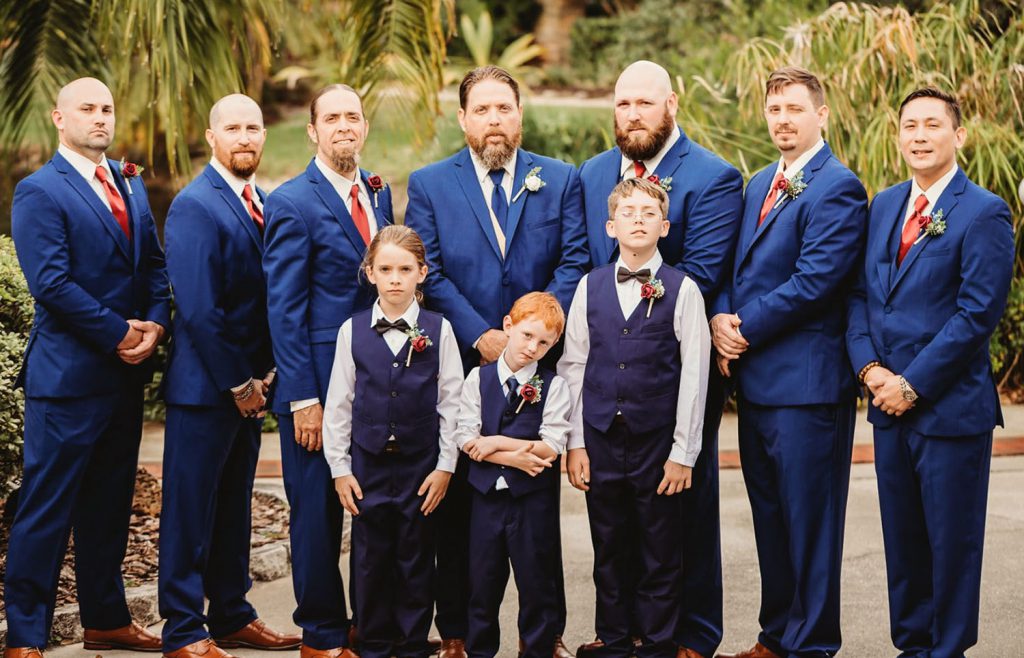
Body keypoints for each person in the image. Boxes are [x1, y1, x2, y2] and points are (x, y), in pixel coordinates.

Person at [405, 65, 587, 658]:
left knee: (537, 504)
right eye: (480, 110)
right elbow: (429, 267)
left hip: (536, 362)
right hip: (466, 362)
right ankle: (457, 630)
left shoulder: (558, 180)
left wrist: (536, 334)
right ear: (462, 119)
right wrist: (482, 334)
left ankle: (546, 634)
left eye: (503, 109)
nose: (493, 121)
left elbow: (573, 258)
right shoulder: (430, 184)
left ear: (519, 114)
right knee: (462, 504)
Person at [577, 60, 743, 658]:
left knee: (679, 517)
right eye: (624, 104)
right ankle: (621, 632)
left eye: (646, 103)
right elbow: (582, 264)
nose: (634, 114)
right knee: (616, 526)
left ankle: (688, 636)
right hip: (605, 384)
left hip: (672, 376)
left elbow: (700, 270)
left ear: (671, 103)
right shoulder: (593, 173)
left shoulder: (712, 176)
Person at [5, 77, 170, 658]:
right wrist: (119, 331)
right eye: (87, 109)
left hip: (124, 378)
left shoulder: (128, 183)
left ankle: (106, 619)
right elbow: (50, 284)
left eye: (106, 109)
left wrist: (153, 323)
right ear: (59, 119)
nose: (100, 118)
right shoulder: (39, 191)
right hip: (68, 380)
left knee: (108, 505)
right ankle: (26, 635)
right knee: (46, 507)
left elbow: (152, 263)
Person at [846, 87, 1014, 658]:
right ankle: (912, 647)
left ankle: (946, 651)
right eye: (909, 125)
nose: (919, 135)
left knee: (952, 543)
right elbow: (862, 297)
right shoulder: (885, 205)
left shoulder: (984, 211)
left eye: (932, 125)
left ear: (958, 135)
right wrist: (870, 370)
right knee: (905, 543)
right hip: (887, 407)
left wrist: (910, 384)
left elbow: (976, 316)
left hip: (949, 410)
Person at [710, 67, 866, 658]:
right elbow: (732, 269)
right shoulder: (757, 184)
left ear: (821, 114)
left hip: (807, 388)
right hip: (757, 387)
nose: (783, 120)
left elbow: (815, 282)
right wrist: (720, 317)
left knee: (811, 525)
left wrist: (740, 330)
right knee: (771, 522)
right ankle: (776, 637)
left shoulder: (838, 187)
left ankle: (812, 644)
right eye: (774, 110)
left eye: (794, 109)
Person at [158, 94, 300, 658]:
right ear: (213, 137)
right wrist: (239, 383)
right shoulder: (196, 204)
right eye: (233, 128)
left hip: (250, 385)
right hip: (206, 389)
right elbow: (198, 307)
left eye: (254, 127)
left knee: (234, 505)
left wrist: (264, 375)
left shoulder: (261, 200)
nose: (245, 137)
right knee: (191, 509)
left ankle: (232, 614)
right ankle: (183, 630)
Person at [263, 83, 393, 658]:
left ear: (364, 128)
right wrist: (301, 398)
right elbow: (284, 309)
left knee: (369, 507)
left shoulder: (377, 194)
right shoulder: (292, 201)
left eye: (354, 117)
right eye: (333, 118)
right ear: (313, 131)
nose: (346, 126)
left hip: (377, 384)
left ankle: (367, 623)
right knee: (315, 513)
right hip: (317, 384)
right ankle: (320, 633)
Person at [561, 178, 710, 658]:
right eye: (629, 212)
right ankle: (614, 636)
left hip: (656, 442)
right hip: (601, 437)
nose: (639, 219)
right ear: (611, 226)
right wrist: (575, 442)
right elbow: (574, 365)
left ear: (664, 226)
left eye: (650, 212)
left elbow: (695, 375)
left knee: (660, 547)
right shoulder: (590, 286)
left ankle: (657, 642)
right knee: (608, 545)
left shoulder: (684, 290)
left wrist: (683, 453)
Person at [322, 225, 463, 658]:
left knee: (416, 556)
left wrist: (445, 467)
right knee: (369, 558)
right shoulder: (353, 330)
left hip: (422, 466)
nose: (396, 278)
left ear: (423, 273)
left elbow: (452, 403)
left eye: (405, 269)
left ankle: (412, 644)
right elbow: (339, 403)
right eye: (386, 269)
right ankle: (373, 641)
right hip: (367, 465)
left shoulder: (440, 330)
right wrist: (340, 469)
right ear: (370, 273)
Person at [455, 292, 572, 658]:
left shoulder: (555, 386)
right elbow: (465, 438)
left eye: (544, 343)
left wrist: (496, 444)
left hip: (531, 505)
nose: (533, 347)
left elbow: (551, 446)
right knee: (481, 586)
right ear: (509, 326)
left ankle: (536, 651)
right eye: (527, 335)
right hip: (485, 501)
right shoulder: (477, 379)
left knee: (537, 585)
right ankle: (480, 651)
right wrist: (518, 457)